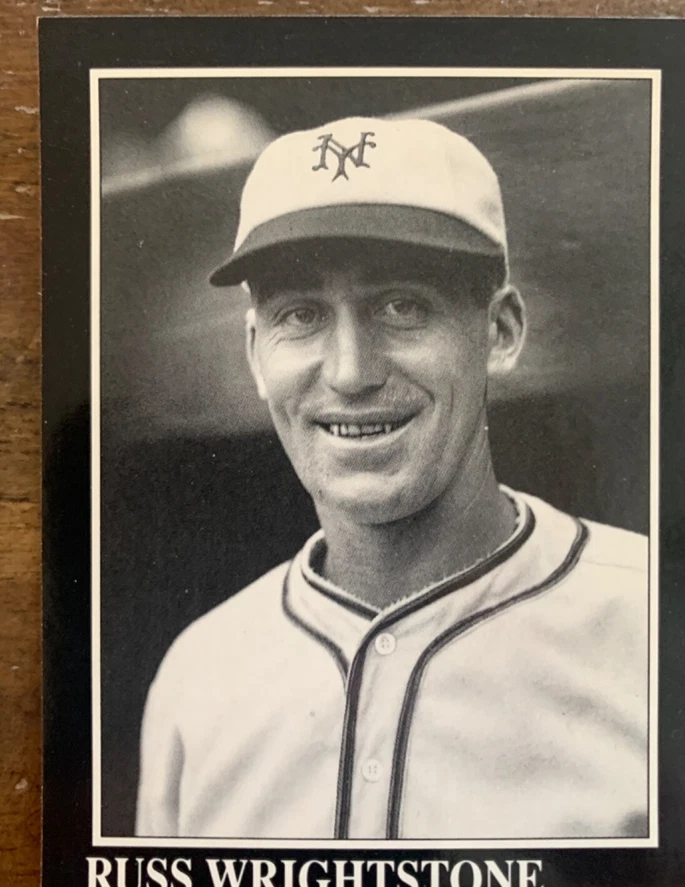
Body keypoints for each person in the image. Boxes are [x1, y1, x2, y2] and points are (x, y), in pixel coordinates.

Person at [136, 116, 648, 840]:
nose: (350, 372)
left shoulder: (660, 626)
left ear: (500, 331)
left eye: (402, 306)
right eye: (301, 314)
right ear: (255, 354)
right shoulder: (199, 676)